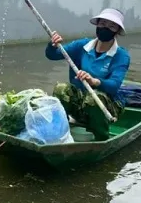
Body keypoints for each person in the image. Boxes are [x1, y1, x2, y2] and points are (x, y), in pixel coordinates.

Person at [45, 8, 130, 141]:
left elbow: (114, 85)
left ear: (117, 31)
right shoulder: (82, 46)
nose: (105, 28)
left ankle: (101, 138)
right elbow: (52, 55)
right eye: (102, 24)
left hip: (107, 104)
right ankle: (61, 130)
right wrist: (53, 44)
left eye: (111, 26)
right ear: (97, 25)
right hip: (81, 100)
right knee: (61, 89)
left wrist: (94, 81)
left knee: (93, 98)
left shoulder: (121, 55)